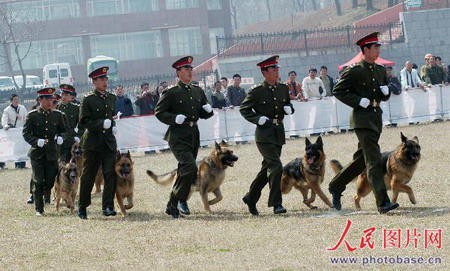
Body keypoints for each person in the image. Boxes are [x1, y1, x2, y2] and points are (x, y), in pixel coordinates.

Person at [328, 32, 399, 214]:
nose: (378, 50)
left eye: (378, 47)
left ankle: (336, 185)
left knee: (362, 160)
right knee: (374, 160)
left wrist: (385, 92)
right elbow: (338, 90)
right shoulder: (354, 70)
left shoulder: (380, 69)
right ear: (365, 49)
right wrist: (358, 100)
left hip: (375, 117)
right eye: (375, 47)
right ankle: (382, 202)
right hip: (362, 119)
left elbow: (383, 94)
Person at [154, 56, 214, 218]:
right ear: (178, 72)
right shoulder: (172, 92)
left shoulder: (197, 91)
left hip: (193, 135)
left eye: (191, 69)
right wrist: (174, 118)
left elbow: (202, 114)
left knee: (184, 171)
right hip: (177, 136)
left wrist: (208, 111)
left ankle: (171, 206)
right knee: (190, 167)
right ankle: (178, 202)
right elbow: (159, 112)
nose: (190, 72)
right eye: (186, 69)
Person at [240, 55, 294, 215]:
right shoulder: (257, 91)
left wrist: (289, 108)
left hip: (278, 133)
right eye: (273, 68)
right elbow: (244, 109)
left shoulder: (282, 88)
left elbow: (286, 103)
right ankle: (276, 204)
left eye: (277, 68)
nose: (277, 71)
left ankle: (251, 197)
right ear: (264, 72)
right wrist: (258, 119)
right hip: (264, 135)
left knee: (267, 170)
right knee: (276, 167)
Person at [78, 66, 118, 219]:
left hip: (108, 142)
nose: (105, 81)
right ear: (94, 81)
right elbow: (84, 121)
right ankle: (82, 206)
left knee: (110, 174)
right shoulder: (88, 99)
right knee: (89, 175)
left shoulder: (111, 98)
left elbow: (111, 117)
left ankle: (107, 206)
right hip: (93, 143)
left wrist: (112, 126)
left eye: (106, 78)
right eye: (101, 79)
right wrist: (101, 123)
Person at [22, 88, 67, 216]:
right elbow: (25, 133)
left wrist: (61, 137)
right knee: (38, 180)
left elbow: (64, 131)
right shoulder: (32, 115)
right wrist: (35, 141)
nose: (49, 102)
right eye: (46, 99)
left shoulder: (57, 115)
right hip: (37, 153)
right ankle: (39, 209)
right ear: (40, 100)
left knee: (49, 181)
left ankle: (44, 195)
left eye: (50, 99)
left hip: (52, 152)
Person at [57, 84, 84, 163]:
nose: (64, 97)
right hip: (60, 140)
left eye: (66, 95)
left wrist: (78, 135)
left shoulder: (76, 108)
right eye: (62, 94)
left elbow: (81, 124)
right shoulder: (57, 108)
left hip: (71, 140)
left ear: (70, 96)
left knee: (72, 164)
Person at [1, 94, 28, 169]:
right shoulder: (7, 110)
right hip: (13, 132)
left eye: (17, 99)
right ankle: (17, 164)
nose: (17, 101)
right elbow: (4, 119)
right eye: (15, 99)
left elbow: (26, 118)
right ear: (11, 101)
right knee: (16, 148)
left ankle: (23, 164)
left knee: (22, 147)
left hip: (21, 131)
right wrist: (5, 125)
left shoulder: (22, 108)